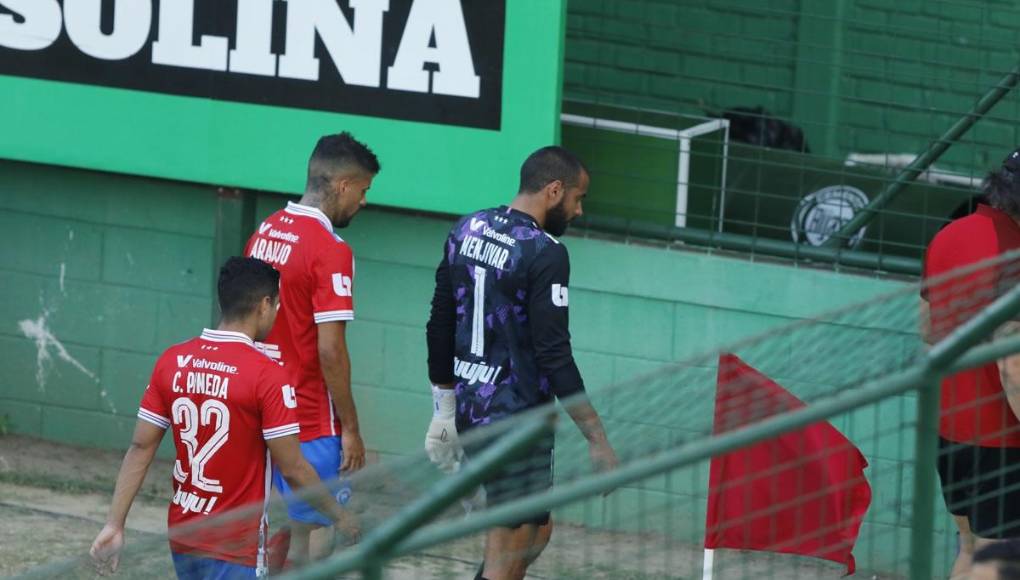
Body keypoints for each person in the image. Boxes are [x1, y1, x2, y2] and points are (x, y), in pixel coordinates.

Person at [89, 257, 355, 579]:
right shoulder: (268, 376)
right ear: (264, 304)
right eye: (277, 304)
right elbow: (294, 468)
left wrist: (114, 524)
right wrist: (340, 517)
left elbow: (140, 447)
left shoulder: (172, 361)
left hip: (183, 534)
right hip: (235, 546)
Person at [424, 146, 618, 580]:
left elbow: (439, 322)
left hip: (473, 409)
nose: (579, 210)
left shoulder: (466, 227)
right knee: (507, 554)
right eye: (577, 198)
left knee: (536, 532)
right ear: (554, 191)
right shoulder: (544, 252)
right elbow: (554, 354)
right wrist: (596, 437)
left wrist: (445, 408)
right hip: (516, 422)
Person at [245, 132, 380, 564]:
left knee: (280, 526)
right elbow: (330, 350)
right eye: (363, 190)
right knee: (325, 528)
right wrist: (352, 428)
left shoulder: (265, 230)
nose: (363, 202)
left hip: (259, 409)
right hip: (309, 419)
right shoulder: (330, 249)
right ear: (343, 185)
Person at [923, 149, 1020, 578]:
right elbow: (1013, 365)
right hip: (1001, 439)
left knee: (969, 551)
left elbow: (928, 327)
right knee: (996, 561)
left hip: (949, 426)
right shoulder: (1014, 254)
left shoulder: (952, 233)